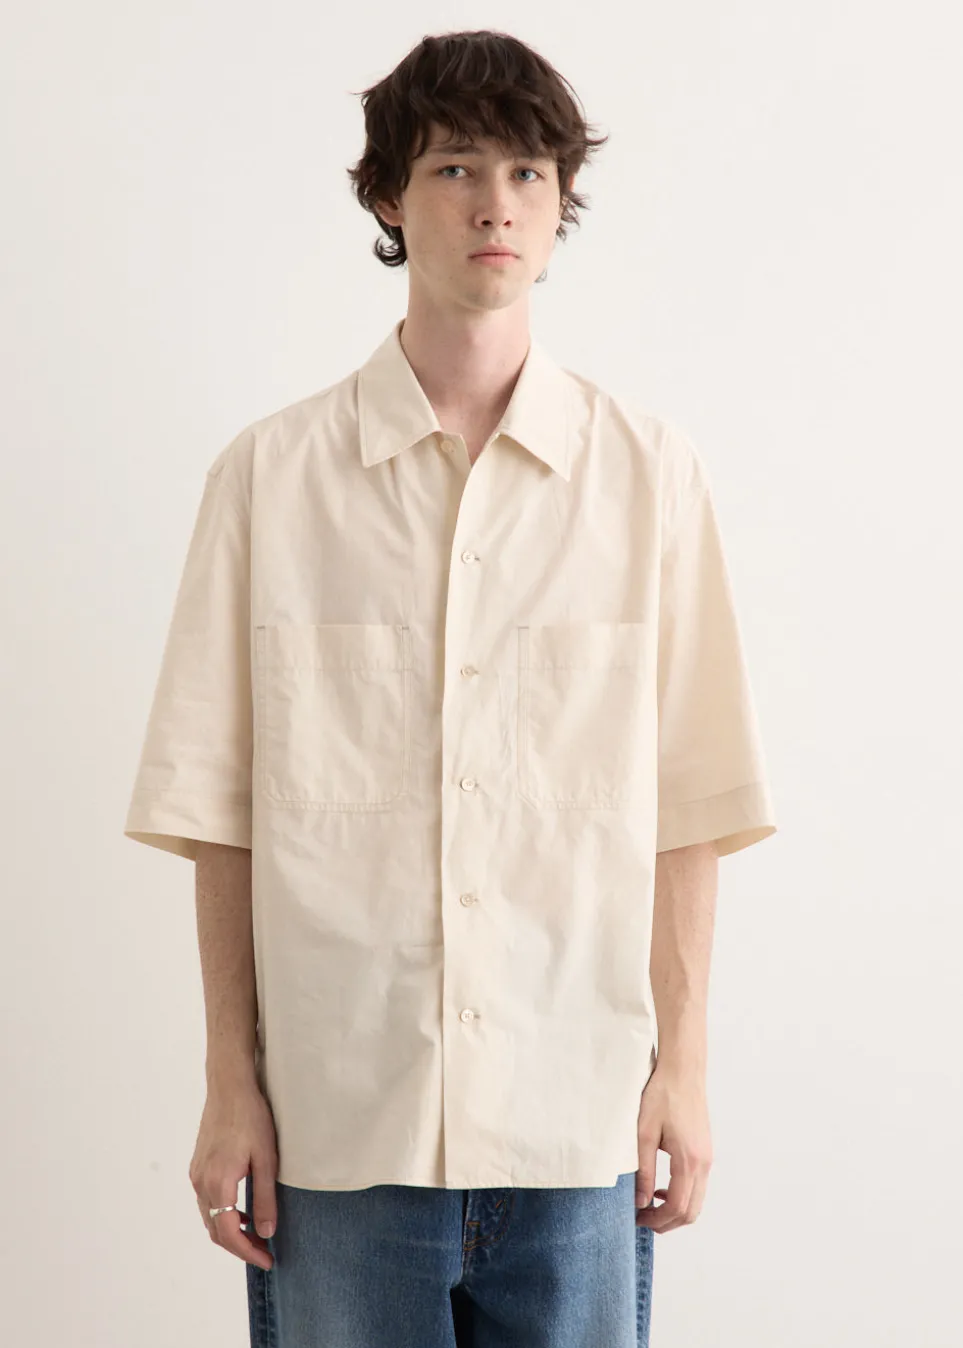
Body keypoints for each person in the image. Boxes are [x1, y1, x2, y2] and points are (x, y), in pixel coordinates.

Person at [123, 28, 778, 1348]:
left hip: (577, 1123)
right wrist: (230, 1084)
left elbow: (688, 809)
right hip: (339, 1133)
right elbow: (222, 817)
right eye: (456, 167)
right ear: (386, 195)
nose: (496, 204)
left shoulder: (647, 479)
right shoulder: (271, 482)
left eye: (529, 173)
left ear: (560, 203)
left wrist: (686, 1071)